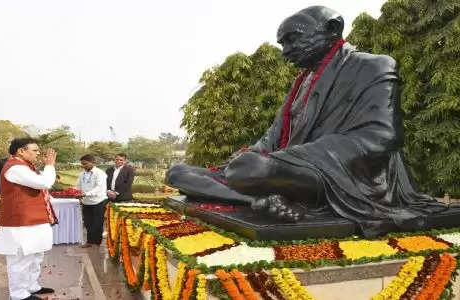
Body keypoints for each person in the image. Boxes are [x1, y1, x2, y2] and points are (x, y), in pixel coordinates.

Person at [166, 5, 449, 238]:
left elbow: (382, 137)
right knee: (178, 173)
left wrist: (285, 160)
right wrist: (254, 154)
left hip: (343, 175)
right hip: (289, 169)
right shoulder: (300, 84)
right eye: (282, 43)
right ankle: (256, 202)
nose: (285, 50)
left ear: (333, 29)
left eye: (293, 39)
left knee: (250, 169)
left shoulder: (374, 65)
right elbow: (272, 138)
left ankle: (259, 187)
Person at [0, 137, 57, 300]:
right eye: (34, 150)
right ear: (21, 151)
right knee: (21, 259)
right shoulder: (14, 167)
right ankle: (19, 294)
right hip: (21, 222)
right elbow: (44, 182)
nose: (38, 153)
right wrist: (49, 166)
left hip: (33, 220)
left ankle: (31, 286)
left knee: (35, 255)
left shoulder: (26, 166)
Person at [76, 154, 107, 248]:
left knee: (97, 223)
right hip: (86, 201)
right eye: (82, 164)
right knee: (87, 222)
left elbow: (99, 187)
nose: (83, 166)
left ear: (93, 162)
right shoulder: (82, 173)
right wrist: (76, 192)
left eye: (85, 164)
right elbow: (79, 185)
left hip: (98, 201)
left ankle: (97, 243)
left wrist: (86, 194)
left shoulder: (100, 173)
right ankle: (89, 241)